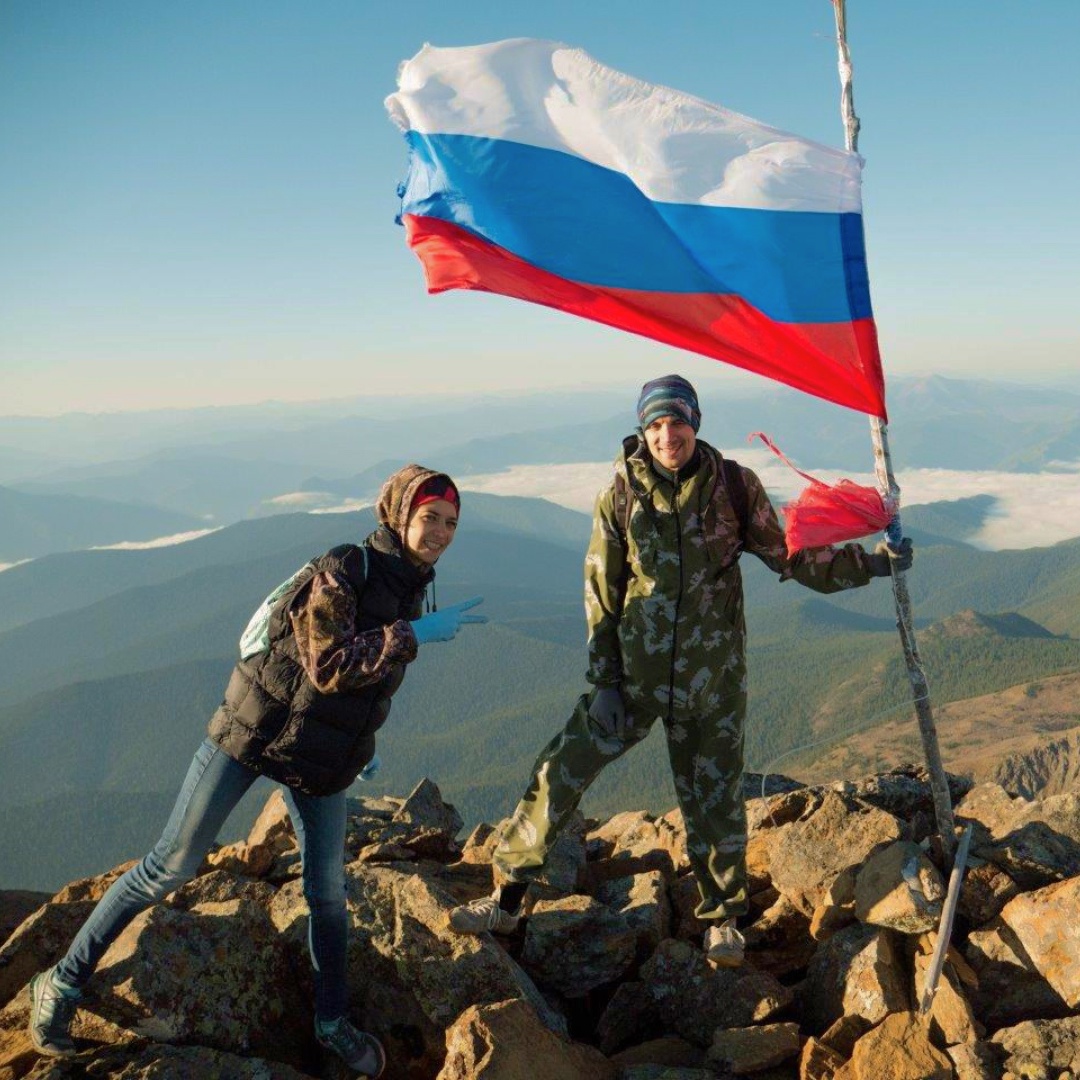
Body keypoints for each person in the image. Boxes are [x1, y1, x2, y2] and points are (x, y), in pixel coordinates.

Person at [29, 464, 486, 1077]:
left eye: (451, 522)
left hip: (319, 755)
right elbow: (327, 664)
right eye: (430, 517)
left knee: (328, 894)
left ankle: (330, 1022)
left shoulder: (411, 583)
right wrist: (415, 632)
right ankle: (60, 984)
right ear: (399, 513)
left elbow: (356, 687)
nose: (439, 532)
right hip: (251, 731)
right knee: (168, 867)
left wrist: (359, 743)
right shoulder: (347, 567)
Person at [448, 374, 911, 967]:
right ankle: (506, 898)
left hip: (711, 682)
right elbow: (601, 591)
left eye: (678, 422)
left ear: (696, 423)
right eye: (657, 424)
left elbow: (790, 558)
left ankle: (722, 921)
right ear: (644, 430)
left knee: (714, 800)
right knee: (560, 772)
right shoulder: (620, 495)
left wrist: (872, 564)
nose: (669, 435)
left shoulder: (734, 488)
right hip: (633, 683)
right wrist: (605, 683)